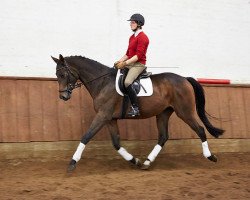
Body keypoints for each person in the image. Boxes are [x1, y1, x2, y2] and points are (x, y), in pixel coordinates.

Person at [114, 13, 149, 117]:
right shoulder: (132, 37)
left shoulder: (143, 38)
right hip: (130, 63)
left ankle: (135, 107)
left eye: (132, 22)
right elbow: (128, 54)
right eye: (131, 22)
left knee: (128, 82)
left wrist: (124, 63)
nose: (130, 24)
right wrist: (118, 61)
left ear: (139, 24)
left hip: (138, 64)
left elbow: (138, 56)